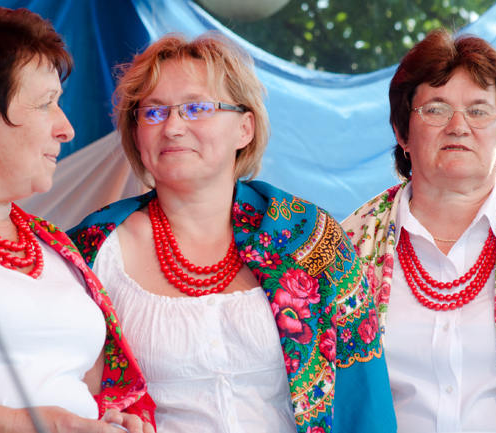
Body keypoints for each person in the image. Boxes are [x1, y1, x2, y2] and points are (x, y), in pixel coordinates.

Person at [68, 32, 396, 433]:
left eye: (197, 108)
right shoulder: (90, 252)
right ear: (135, 133)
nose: (172, 127)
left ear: (245, 128)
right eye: (153, 112)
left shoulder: (309, 238)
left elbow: (364, 397)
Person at [0, 4, 155, 432]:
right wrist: (28, 424)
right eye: (46, 104)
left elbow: (102, 393)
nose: (66, 129)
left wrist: (120, 420)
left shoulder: (57, 246)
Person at [341, 28, 496, 432]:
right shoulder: (346, 245)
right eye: (436, 109)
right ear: (402, 133)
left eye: (478, 110)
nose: (458, 126)